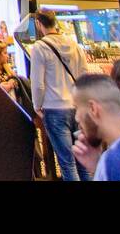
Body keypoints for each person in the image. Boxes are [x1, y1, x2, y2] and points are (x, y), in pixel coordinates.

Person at [27, 10, 90, 182]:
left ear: (39, 24)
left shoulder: (40, 48)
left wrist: (36, 105)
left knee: (67, 163)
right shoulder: (74, 44)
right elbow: (85, 75)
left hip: (54, 108)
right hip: (76, 107)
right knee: (83, 162)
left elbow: (38, 83)